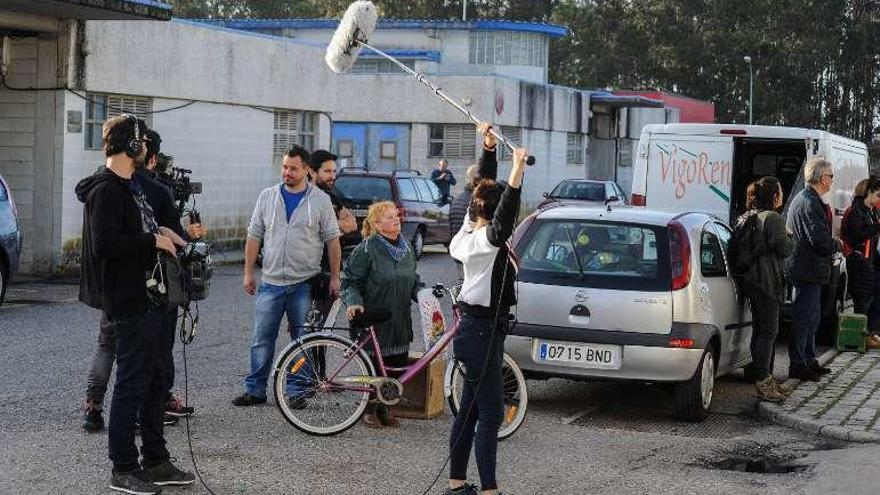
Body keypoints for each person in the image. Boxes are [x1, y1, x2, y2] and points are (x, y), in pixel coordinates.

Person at [77, 114, 194, 494]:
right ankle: (123, 468)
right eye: (142, 142)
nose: (146, 149)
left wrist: (160, 231)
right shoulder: (107, 190)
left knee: (156, 380)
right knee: (130, 384)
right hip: (127, 301)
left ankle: (156, 461)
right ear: (131, 146)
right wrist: (151, 242)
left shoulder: (133, 187)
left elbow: (135, 229)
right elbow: (105, 245)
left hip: (150, 299)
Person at [445, 122, 527, 495]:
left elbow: (484, 191)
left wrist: (489, 149)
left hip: (476, 332)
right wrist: (517, 171)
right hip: (479, 333)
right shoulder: (487, 242)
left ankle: (458, 483)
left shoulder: (467, 231)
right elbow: (504, 212)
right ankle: (490, 490)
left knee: (470, 411)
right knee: (491, 414)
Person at [234, 145, 341, 409]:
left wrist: (335, 277)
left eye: (293, 168)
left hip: (304, 283)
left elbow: (333, 241)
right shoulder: (267, 197)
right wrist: (249, 272)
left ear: (306, 169)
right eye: (284, 167)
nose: (287, 173)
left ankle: (296, 391)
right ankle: (255, 390)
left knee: (302, 341)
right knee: (261, 339)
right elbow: (253, 235)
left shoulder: (320, 200)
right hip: (270, 282)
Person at [341, 200, 421, 428]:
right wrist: (354, 302)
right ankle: (369, 409)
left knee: (395, 365)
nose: (396, 219)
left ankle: (385, 407)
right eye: (389, 217)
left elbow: (413, 279)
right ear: (376, 224)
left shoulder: (406, 249)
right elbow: (350, 281)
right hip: (374, 319)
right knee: (375, 366)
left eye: (396, 215)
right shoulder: (366, 249)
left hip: (399, 319)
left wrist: (423, 293)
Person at [735, 177, 795, 402]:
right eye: (780, 191)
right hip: (768, 282)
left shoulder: (747, 216)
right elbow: (785, 248)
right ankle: (764, 380)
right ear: (774, 196)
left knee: (760, 331)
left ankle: (763, 377)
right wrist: (790, 236)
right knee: (769, 332)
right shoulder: (774, 218)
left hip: (751, 281)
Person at [786, 157, 839, 382]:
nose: (832, 180)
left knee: (812, 318)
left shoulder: (812, 199)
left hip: (811, 271)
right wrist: (837, 244)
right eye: (830, 176)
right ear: (819, 177)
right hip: (805, 270)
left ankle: (808, 359)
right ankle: (798, 364)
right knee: (804, 318)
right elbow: (819, 240)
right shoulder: (808, 202)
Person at [841, 177, 880, 349]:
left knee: (871, 299)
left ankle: (869, 333)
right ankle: (859, 337)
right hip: (859, 262)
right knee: (862, 300)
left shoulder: (870, 211)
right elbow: (857, 235)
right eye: (878, 195)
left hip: (869, 261)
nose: (879, 199)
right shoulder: (856, 211)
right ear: (869, 192)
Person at [449, 164, 478, 242]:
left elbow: (451, 229)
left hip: (457, 247)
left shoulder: (456, 200)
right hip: (470, 248)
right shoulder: (476, 202)